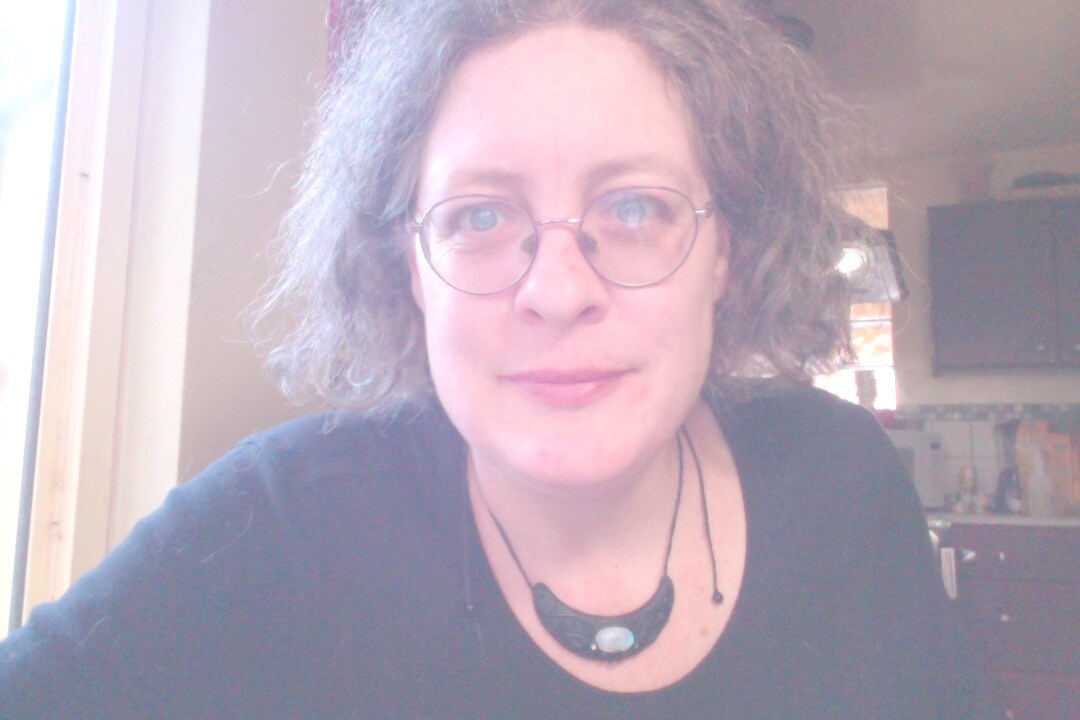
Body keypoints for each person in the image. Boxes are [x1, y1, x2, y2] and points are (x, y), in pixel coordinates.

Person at [1, 0, 999, 717]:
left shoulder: (842, 477)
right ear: (410, 268)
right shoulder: (271, 529)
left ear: (726, 254)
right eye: (479, 216)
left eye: (635, 207)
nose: (557, 290)